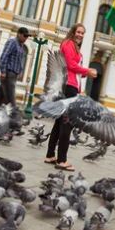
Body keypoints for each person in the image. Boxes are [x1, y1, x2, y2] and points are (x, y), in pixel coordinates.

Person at [44, 23, 97, 171]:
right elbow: (71, 66)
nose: (80, 35)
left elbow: (75, 70)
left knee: (59, 122)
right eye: (78, 32)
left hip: (71, 86)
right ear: (73, 32)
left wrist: (83, 79)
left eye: (82, 33)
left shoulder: (74, 46)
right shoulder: (68, 44)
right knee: (67, 123)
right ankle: (62, 160)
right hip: (68, 87)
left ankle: (50, 155)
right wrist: (87, 71)